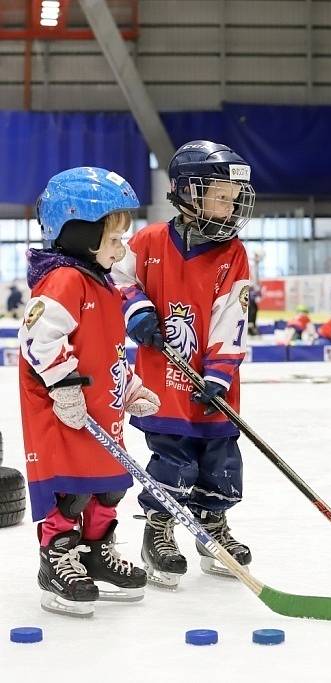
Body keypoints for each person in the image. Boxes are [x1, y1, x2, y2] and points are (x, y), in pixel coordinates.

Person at [111, 140, 255, 588]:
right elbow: (116, 275)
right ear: (188, 192)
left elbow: (233, 315)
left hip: (213, 383)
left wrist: (218, 374)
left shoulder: (232, 253)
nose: (231, 207)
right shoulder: (149, 240)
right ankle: (159, 530)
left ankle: (212, 529)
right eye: (221, 196)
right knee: (172, 460)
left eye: (234, 200)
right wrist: (136, 308)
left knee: (221, 461)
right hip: (162, 384)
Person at [18, 167, 161, 618]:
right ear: (79, 232)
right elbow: (37, 338)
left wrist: (132, 387)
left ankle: (96, 552)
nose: (121, 250)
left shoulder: (102, 283)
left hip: (102, 412)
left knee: (108, 488)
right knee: (72, 491)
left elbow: (109, 352)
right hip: (65, 414)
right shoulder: (64, 280)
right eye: (114, 239)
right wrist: (62, 385)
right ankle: (57, 557)